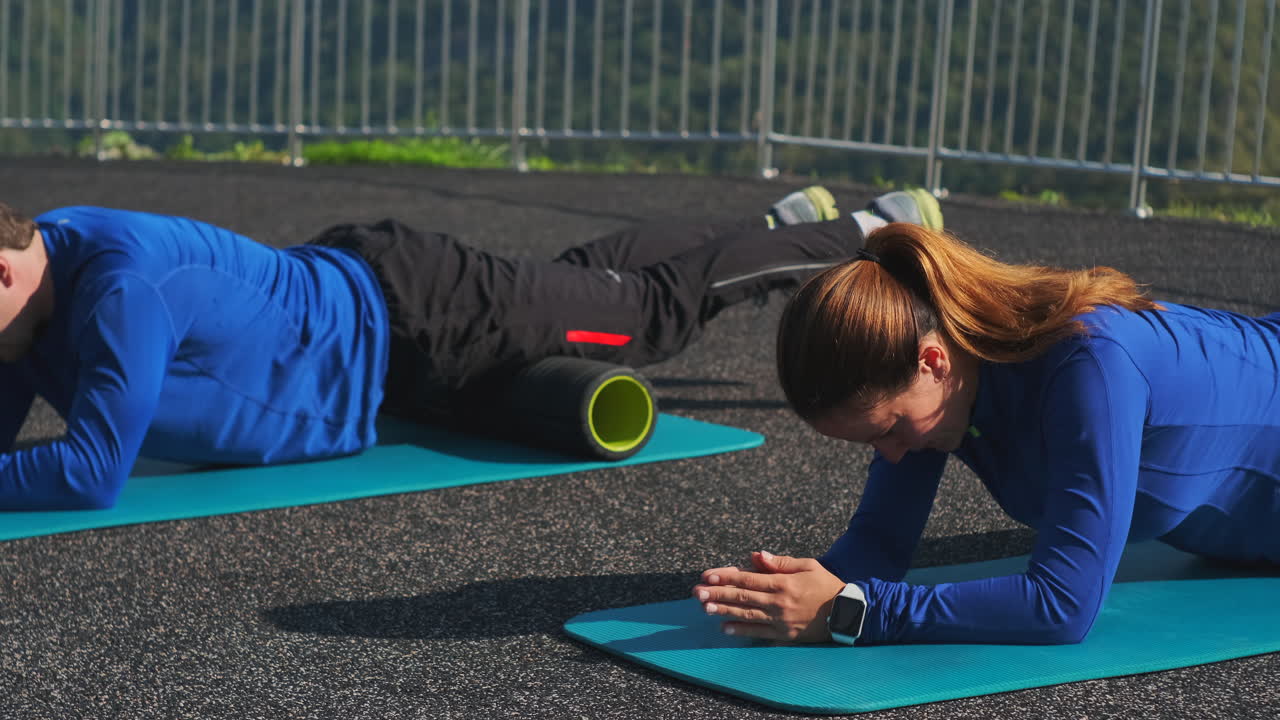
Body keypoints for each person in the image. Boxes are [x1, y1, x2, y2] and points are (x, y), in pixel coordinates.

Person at [0, 184, 942, 511]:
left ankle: (856, 233)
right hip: (387, 310)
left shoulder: (121, 288)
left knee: (648, 314)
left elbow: (90, 473)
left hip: (426, 321)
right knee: (584, 281)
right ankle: (767, 227)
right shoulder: (43, 257)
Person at [693, 221, 1280, 646]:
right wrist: (789, 592)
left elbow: (1062, 606)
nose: (891, 455)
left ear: (932, 362)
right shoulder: (945, 379)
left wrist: (853, 614)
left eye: (892, 428)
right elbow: (878, 547)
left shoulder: (1090, 368)